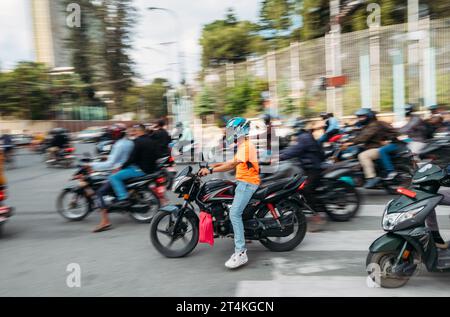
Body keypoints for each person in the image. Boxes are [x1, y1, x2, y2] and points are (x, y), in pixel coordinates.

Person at [199, 117, 260, 269]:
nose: (228, 133)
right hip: (242, 182)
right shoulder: (242, 146)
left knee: (234, 213)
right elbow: (231, 162)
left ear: (239, 130)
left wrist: (211, 170)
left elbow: (231, 165)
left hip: (247, 184)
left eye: (231, 130)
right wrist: (212, 165)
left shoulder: (246, 146)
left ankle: (240, 253)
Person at [279, 118, 327, 231]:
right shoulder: (304, 137)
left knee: (305, 189)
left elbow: (294, 151)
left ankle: (317, 217)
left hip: (313, 168)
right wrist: (278, 154)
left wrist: (279, 157)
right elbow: (291, 149)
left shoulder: (304, 138)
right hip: (308, 167)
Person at [91, 125, 135, 233]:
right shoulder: (129, 142)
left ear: (115, 134)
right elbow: (118, 158)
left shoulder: (119, 145)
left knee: (100, 192)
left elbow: (111, 163)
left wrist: (92, 165)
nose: (110, 135)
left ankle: (105, 221)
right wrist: (105, 158)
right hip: (128, 168)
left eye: (112, 133)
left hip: (121, 170)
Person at [343, 108, 398, 189]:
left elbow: (365, 136)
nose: (360, 119)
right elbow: (359, 134)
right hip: (371, 146)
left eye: (362, 117)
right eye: (359, 117)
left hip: (377, 147)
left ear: (369, 117)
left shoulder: (374, 125)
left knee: (363, 156)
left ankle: (371, 178)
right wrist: (347, 140)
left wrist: (351, 142)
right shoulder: (368, 125)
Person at [108, 124, 159, 209]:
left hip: (141, 170)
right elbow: (156, 155)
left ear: (139, 131)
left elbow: (132, 158)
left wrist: (121, 167)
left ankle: (123, 198)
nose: (134, 133)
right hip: (152, 169)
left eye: (135, 131)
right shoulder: (151, 140)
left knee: (114, 177)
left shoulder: (138, 141)